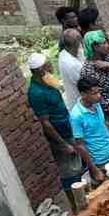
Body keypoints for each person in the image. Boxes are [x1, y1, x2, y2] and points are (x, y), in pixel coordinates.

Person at [28, 52, 86, 193]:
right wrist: (63, 144)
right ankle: (76, 205)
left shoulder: (46, 80)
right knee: (69, 173)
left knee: (79, 166)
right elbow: (46, 123)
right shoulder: (36, 93)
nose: (51, 66)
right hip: (61, 137)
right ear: (41, 69)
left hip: (68, 129)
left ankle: (85, 195)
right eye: (48, 64)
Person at [70, 80, 109, 185]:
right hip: (99, 162)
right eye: (94, 93)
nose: (99, 95)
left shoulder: (96, 104)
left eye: (99, 92)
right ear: (83, 94)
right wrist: (94, 169)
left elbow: (104, 125)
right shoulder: (76, 116)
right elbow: (80, 145)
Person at [58, 28, 84, 111]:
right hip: (81, 103)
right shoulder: (71, 64)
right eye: (80, 41)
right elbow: (87, 82)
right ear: (77, 43)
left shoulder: (65, 52)